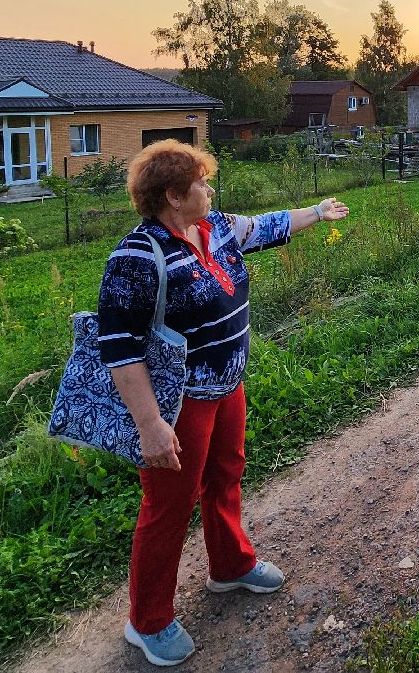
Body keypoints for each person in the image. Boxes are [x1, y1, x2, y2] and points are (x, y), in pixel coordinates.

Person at [97, 139, 348, 667]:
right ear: (172, 196)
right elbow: (118, 347)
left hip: (227, 385)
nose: (209, 191)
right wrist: (150, 424)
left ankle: (230, 565)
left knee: (226, 476)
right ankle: (147, 621)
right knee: (169, 506)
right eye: (201, 184)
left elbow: (268, 225)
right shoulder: (135, 258)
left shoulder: (215, 228)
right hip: (179, 403)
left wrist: (317, 211)